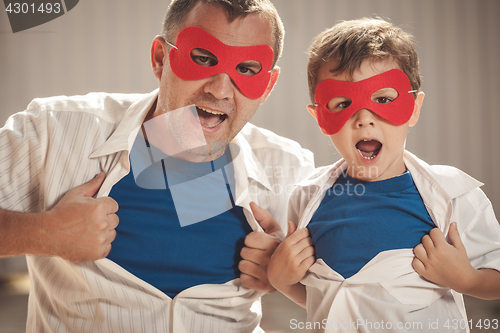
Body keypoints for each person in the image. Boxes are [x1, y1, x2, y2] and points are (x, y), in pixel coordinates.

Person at [0, 0, 315, 332]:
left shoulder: (290, 169)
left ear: (267, 85)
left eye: (247, 70)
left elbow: (352, 294)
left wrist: (284, 275)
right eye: (203, 59)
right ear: (161, 59)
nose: (220, 90)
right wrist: (45, 233)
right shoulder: (52, 131)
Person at [267, 18, 500, 332]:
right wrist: (281, 280)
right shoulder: (306, 198)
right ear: (321, 118)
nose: (364, 118)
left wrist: (467, 279)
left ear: (414, 108)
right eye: (342, 103)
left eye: (384, 99)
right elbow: (323, 300)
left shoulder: (455, 195)